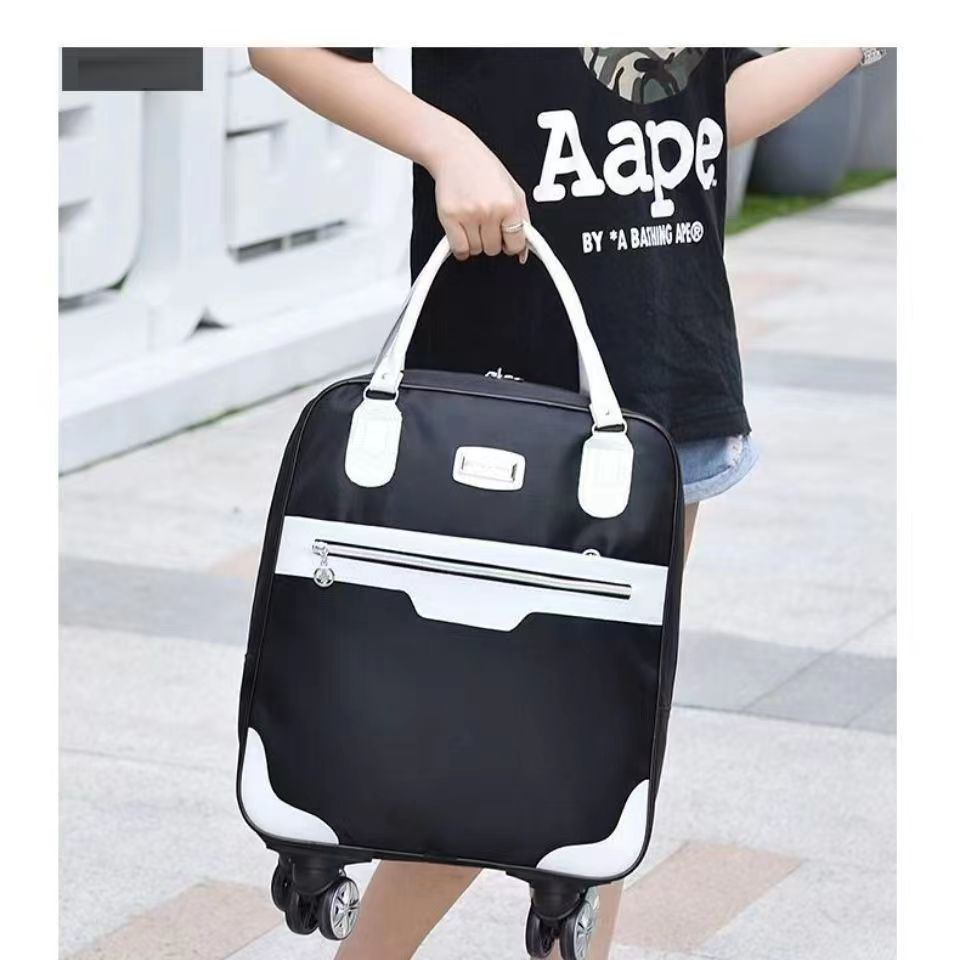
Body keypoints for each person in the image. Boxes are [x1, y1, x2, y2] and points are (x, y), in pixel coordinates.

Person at [248, 45, 885, 960]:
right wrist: (449, 146)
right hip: (509, 381)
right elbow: (284, 43)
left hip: (663, 378)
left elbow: (710, 107)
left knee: (604, 740)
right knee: (511, 724)